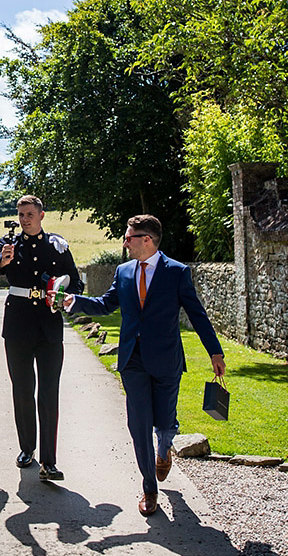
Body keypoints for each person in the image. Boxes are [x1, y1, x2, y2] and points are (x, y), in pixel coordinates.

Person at [65, 214, 226, 515]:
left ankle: (164, 449)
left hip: (166, 359)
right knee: (138, 424)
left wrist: (215, 353)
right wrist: (74, 301)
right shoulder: (123, 271)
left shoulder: (176, 272)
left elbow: (197, 313)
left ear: (147, 240)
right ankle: (149, 488)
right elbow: (105, 304)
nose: (125, 242)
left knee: (164, 423)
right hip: (132, 359)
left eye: (129, 237)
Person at [0, 194, 83, 481]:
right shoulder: (8, 243)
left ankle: (49, 461)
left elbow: (75, 280)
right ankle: (27, 448)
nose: (24, 219)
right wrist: (3, 262)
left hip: (49, 325)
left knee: (49, 393)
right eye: (21, 214)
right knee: (23, 390)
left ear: (41, 215)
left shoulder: (57, 245)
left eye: (29, 214)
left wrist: (64, 293)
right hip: (18, 326)